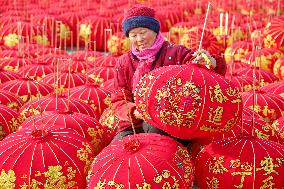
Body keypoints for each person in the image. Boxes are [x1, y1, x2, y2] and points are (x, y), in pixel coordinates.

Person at [109, 4, 226, 141]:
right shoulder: (124, 62)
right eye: (133, 35)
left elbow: (201, 75)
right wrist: (134, 111)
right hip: (133, 123)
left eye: (143, 32)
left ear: (155, 30)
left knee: (153, 133)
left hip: (170, 123)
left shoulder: (176, 53)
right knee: (121, 146)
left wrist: (210, 63)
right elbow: (118, 99)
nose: (139, 39)